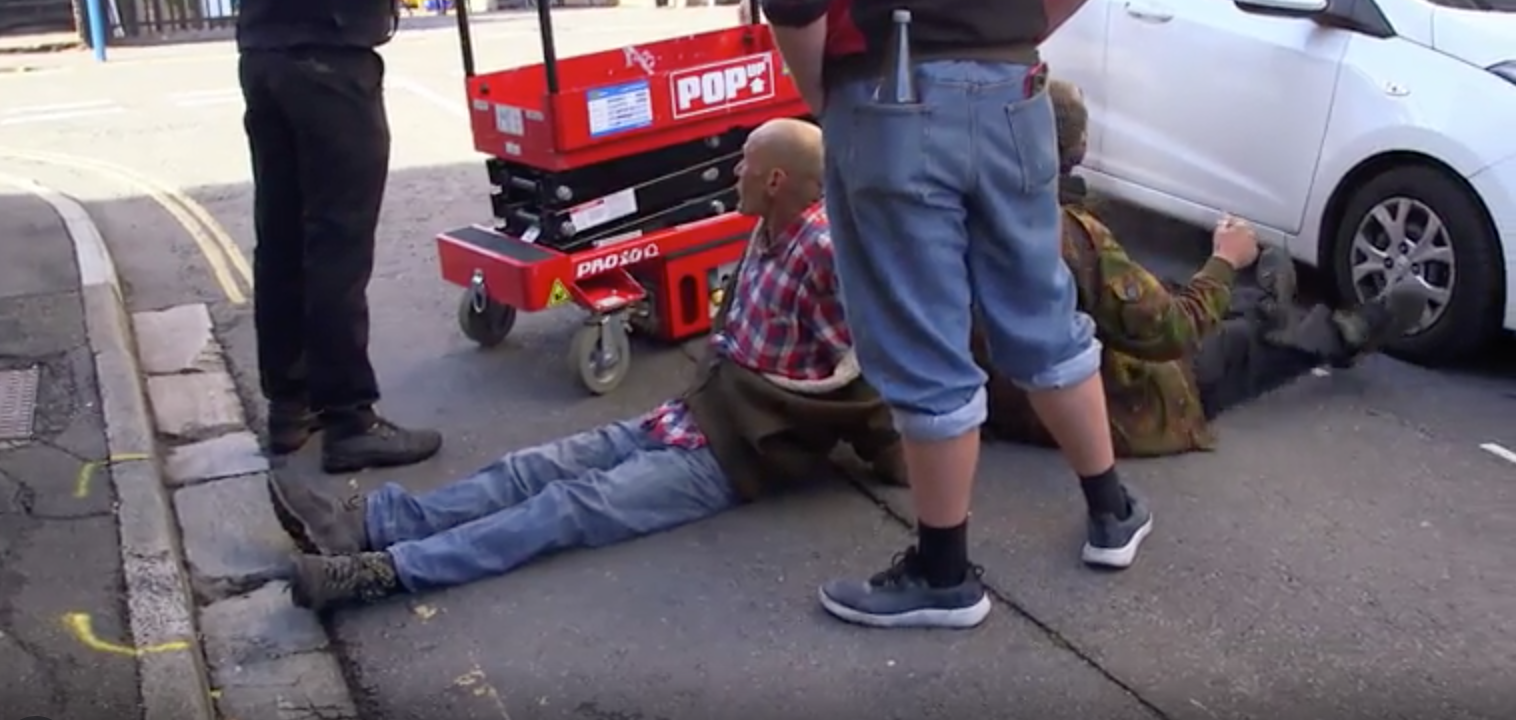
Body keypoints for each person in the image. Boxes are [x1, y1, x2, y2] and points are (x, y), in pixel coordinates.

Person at [266, 119, 906, 613]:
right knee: (530, 468)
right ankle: (368, 525)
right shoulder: (770, 226)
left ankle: (381, 573)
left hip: (730, 457)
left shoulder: (824, 250)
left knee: (567, 508)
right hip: (690, 418)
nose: (734, 171)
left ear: (775, 181)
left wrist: (907, 457)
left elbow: (871, 365)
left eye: (746, 163)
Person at [763, 0, 1136, 630]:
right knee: (1041, 312)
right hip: (1011, 85)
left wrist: (824, 96)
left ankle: (943, 575)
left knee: (920, 335)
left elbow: (797, 8)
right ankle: (1112, 510)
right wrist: (1009, 30)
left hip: (887, 89)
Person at [979, 80, 1425, 456]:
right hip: (1112, 404)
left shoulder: (970, 207)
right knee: (1247, 345)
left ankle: (1262, 303)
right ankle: (1348, 331)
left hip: (1004, 402)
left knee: (1174, 290)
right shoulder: (1067, 234)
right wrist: (1225, 259)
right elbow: (1171, 332)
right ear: (1074, 149)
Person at [237, 0, 443, 474]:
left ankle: (291, 406)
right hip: (330, 49)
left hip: (263, 50)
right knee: (338, 245)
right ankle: (349, 421)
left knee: (282, 238)